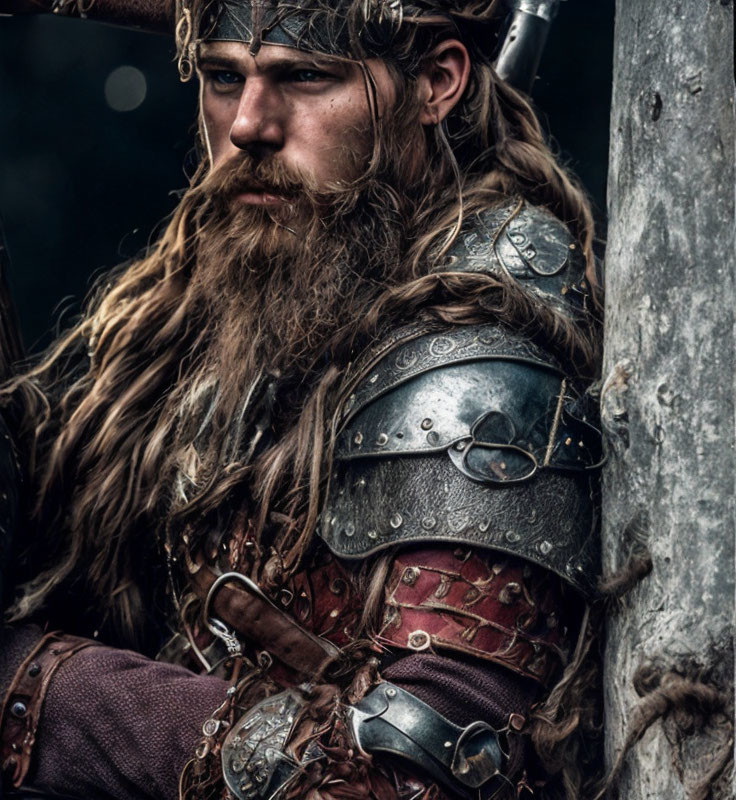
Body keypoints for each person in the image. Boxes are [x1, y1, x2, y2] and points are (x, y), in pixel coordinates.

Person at [0, 0, 603, 798]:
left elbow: (413, 771)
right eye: (222, 77)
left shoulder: (482, 363)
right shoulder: (211, 299)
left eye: (306, 77)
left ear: (436, 82)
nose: (248, 123)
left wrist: (40, 690)